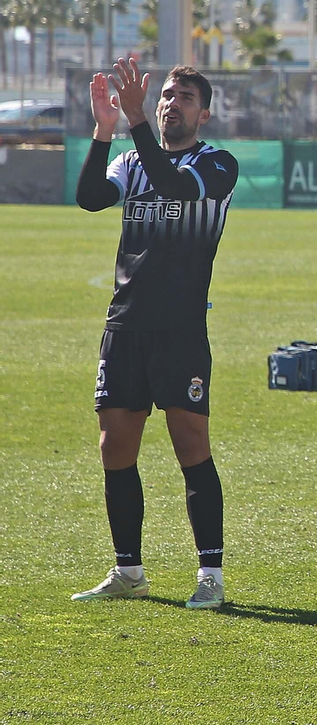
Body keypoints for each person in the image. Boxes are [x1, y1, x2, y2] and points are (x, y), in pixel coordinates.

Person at [71, 59, 238, 610]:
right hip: (126, 324)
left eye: (185, 97)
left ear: (204, 112)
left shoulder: (217, 164)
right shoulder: (130, 161)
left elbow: (172, 183)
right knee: (115, 448)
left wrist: (136, 118)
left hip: (180, 330)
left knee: (190, 446)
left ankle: (209, 575)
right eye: (167, 94)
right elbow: (91, 197)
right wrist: (103, 129)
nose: (173, 103)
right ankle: (129, 570)